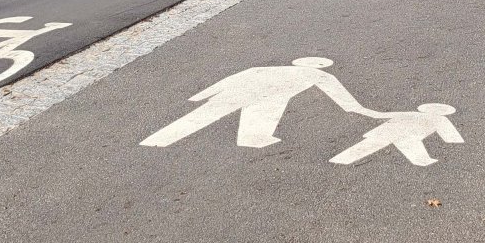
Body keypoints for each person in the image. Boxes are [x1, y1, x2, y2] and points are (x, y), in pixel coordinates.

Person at [141, 57, 366, 149]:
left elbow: (235, 78)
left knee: (202, 115)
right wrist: (359, 110)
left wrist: (202, 95)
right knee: (260, 117)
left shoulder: (265, 68)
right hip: (272, 98)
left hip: (237, 93)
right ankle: (252, 139)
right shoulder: (319, 75)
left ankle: (160, 138)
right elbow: (339, 95)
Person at [329, 103, 464, 167]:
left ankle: (342, 159)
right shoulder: (441, 119)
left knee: (368, 145)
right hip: (405, 136)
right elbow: (451, 137)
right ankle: (423, 160)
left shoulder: (418, 115)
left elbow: (379, 115)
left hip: (391, 133)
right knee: (412, 148)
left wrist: (362, 110)